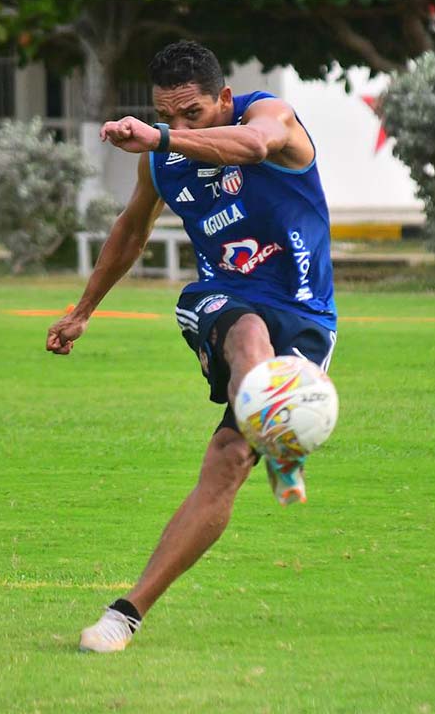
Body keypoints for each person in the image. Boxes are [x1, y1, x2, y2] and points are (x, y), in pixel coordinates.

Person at [45, 40, 338, 653]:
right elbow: (131, 230)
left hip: (307, 315)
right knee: (247, 331)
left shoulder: (270, 117)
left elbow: (254, 146)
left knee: (229, 463)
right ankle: (121, 615)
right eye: (166, 116)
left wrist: (160, 139)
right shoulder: (164, 161)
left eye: (192, 114)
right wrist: (82, 311)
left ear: (225, 99)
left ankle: (271, 443)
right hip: (221, 298)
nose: (178, 126)